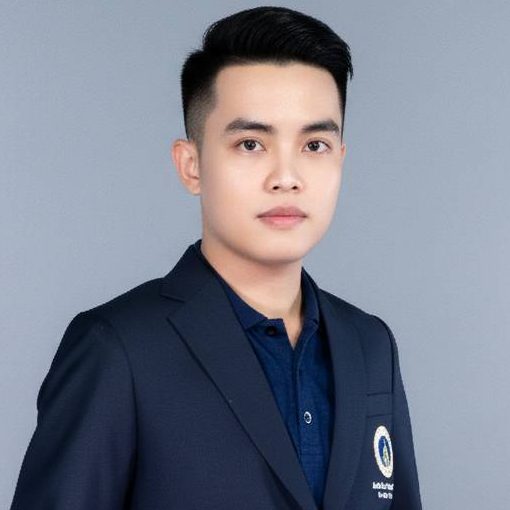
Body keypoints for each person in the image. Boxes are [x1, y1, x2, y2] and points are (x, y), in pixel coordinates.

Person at [9, 6, 422, 510]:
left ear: (340, 159)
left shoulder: (370, 345)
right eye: (250, 143)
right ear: (191, 166)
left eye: (314, 144)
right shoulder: (119, 349)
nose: (286, 177)